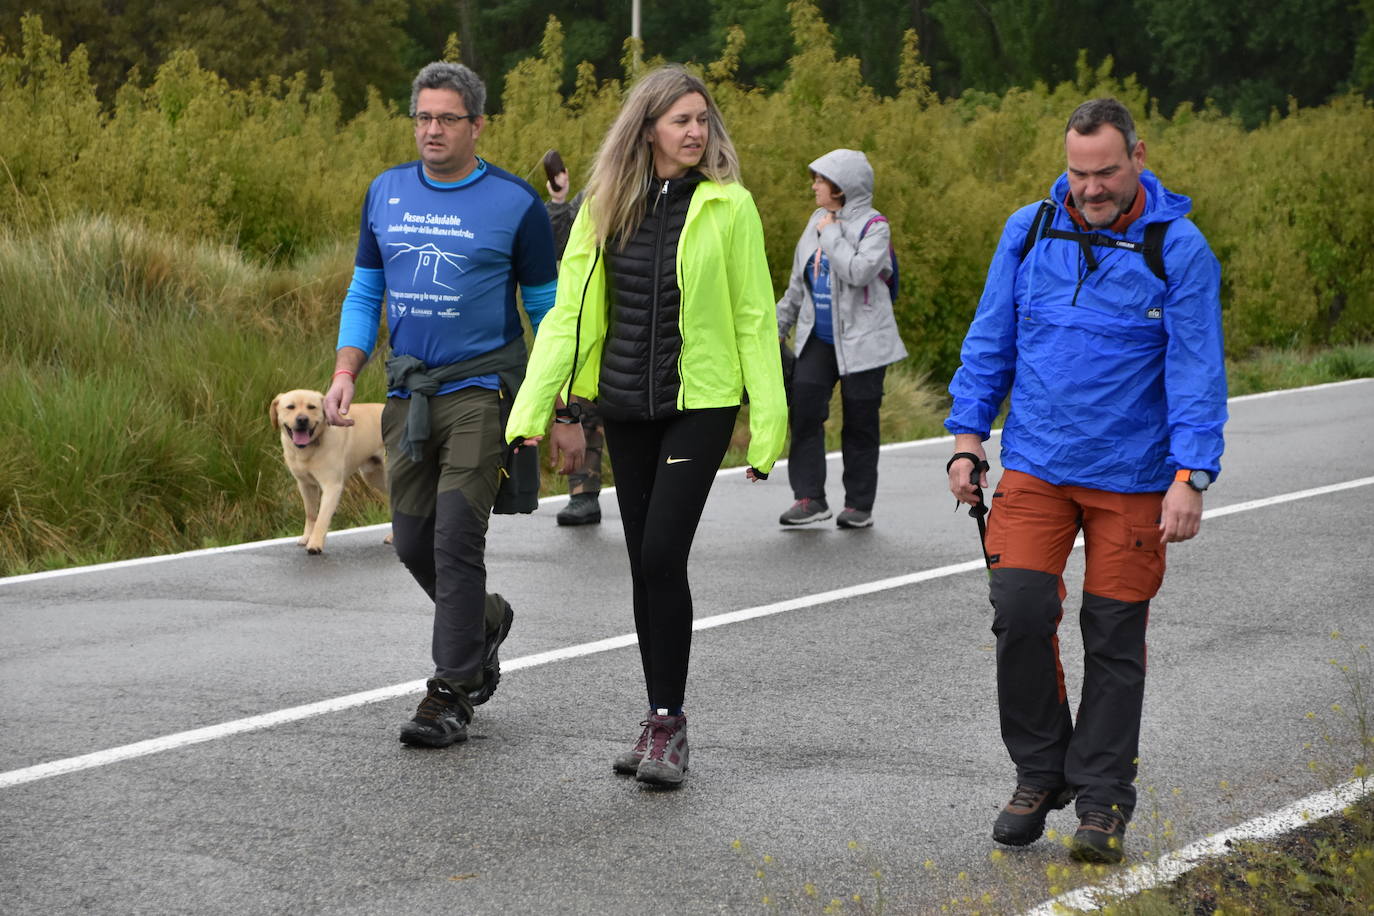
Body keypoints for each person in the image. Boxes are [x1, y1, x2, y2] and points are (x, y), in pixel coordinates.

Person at [944, 98, 1226, 863]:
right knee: (1020, 610)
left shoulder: (1180, 248)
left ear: (1138, 154)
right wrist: (968, 441)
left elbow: (1196, 369)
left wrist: (1191, 474)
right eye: (1078, 172)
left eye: (1105, 172)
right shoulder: (1030, 228)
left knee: (1113, 636)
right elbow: (990, 337)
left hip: (1134, 479)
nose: (1091, 188)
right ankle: (1040, 770)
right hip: (1036, 465)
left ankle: (1102, 799)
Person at [506, 66, 787, 787]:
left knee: (662, 553)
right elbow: (568, 314)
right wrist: (535, 409)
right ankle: (658, 716)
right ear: (648, 128)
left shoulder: (731, 207)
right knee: (642, 563)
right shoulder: (605, 206)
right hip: (625, 405)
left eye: (702, 119)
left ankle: (671, 724)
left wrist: (768, 422)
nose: (695, 132)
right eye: (680, 120)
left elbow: (755, 316)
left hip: (701, 405)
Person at [323, 61, 566, 749]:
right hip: (409, 392)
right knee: (411, 542)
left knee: (457, 537)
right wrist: (347, 371)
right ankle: (484, 622)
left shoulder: (515, 205)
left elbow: (547, 311)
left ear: (477, 125)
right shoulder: (385, 192)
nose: (432, 129)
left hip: (481, 393)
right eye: (423, 117)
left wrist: (559, 405)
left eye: (447, 118)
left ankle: (450, 692)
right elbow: (365, 291)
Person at [775, 149, 907, 529]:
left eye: (821, 179)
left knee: (860, 423)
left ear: (842, 186)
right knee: (803, 412)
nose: (814, 185)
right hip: (818, 338)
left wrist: (830, 232)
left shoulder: (875, 226)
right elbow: (797, 286)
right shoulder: (815, 220)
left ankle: (859, 505)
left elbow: (858, 270)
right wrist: (776, 330)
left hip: (865, 343)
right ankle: (809, 498)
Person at [544, 163, 604, 527]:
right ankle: (583, 495)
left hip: (639, 322)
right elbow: (557, 241)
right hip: (589, 317)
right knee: (582, 405)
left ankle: (649, 494)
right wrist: (558, 199)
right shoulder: (593, 195)